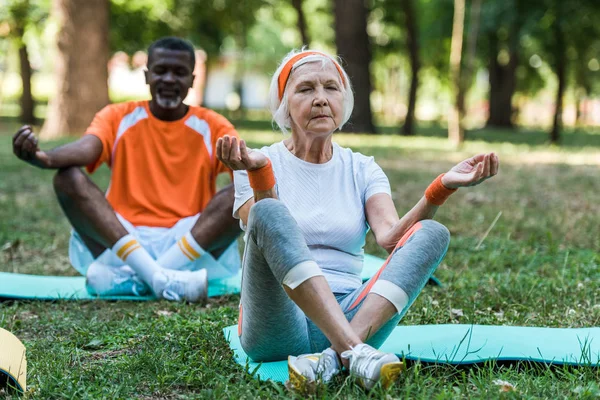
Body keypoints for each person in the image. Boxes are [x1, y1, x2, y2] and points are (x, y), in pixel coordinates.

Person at [216, 49, 499, 390]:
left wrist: (441, 187)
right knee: (269, 211)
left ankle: (334, 357)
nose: (320, 99)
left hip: (355, 314)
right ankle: (354, 351)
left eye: (330, 88)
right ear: (284, 105)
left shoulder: (363, 168)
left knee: (431, 233)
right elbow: (265, 224)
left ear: (344, 100)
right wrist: (260, 172)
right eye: (306, 89)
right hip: (277, 325)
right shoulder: (258, 161)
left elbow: (393, 239)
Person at [12, 37, 242, 303]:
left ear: (191, 80)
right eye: (160, 71)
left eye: (179, 73)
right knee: (68, 178)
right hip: (123, 241)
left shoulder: (212, 125)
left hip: (188, 245)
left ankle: (146, 276)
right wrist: (44, 158)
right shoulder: (119, 116)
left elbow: (243, 173)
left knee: (243, 191)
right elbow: (88, 148)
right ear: (147, 76)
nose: (169, 79)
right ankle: (161, 277)